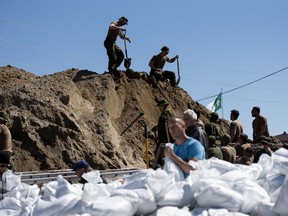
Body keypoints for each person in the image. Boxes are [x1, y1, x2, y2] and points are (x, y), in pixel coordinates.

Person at [152, 99, 174, 167]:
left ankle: (159, 167)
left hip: (165, 138)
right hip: (169, 137)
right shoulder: (170, 113)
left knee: (159, 153)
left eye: (159, 106)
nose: (159, 108)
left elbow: (164, 124)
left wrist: (157, 128)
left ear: (162, 106)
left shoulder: (164, 114)